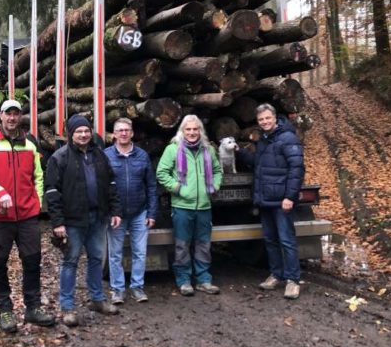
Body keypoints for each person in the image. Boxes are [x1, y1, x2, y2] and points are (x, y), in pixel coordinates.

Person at [0, 99, 56, 333]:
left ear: (20, 117)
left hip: (27, 216)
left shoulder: (30, 143)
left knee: (32, 261)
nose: (12, 118)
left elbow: (39, 175)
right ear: (0, 116)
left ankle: (33, 308)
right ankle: (5, 310)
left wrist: (37, 201)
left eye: (16, 114)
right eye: (8, 114)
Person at [45, 114, 122, 327]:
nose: (84, 134)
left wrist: (115, 210)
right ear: (71, 134)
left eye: (87, 130)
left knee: (97, 258)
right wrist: (58, 223)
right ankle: (68, 307)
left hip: (98, 217)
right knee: (70, 261)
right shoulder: (59, 158)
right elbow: (51, 192)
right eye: (79, 131)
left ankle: (97, 299)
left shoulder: (99, 155)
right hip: (72, 221)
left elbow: (111, 184)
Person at [237, 103, 305, 299]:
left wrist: (290, 196)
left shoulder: (288, 138)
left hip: (282, 200)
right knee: (271, 240)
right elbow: (260, 165)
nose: (265, 122)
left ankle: (292, 280)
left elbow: (297, 169)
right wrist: (240, 153)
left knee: (287, 240)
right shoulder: (264, 140)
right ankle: (276, 274)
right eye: (261, 120)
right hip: (266, 199)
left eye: (267, 118)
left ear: (275, 118)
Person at [156, 115, 223, 297]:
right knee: (182, 245)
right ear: (182, 131)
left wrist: (214, 186)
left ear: (200, 131)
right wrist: (177, 188)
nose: (192, 133)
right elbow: (161, 173)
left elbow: (217, 171)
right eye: (188, 129)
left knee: (203, 245)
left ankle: (203, 280)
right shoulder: (173, 149)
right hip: (182, 207)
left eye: (195, 129)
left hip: (204, 206)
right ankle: (184, 280)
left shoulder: (208, 150)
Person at [104, 117, 158, 304]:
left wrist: (152, 213)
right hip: (116, 214)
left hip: (139, 212)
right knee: (115, 253)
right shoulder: (106, 156)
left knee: (140, 253)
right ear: (114, 134)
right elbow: (103, 187)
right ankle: (118, 290)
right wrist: (109, 212)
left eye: (127, 130)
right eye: (120, 130)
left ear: (132, 133)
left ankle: (137, 287)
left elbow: (151, 186)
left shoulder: (142, 156)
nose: (124, 133)